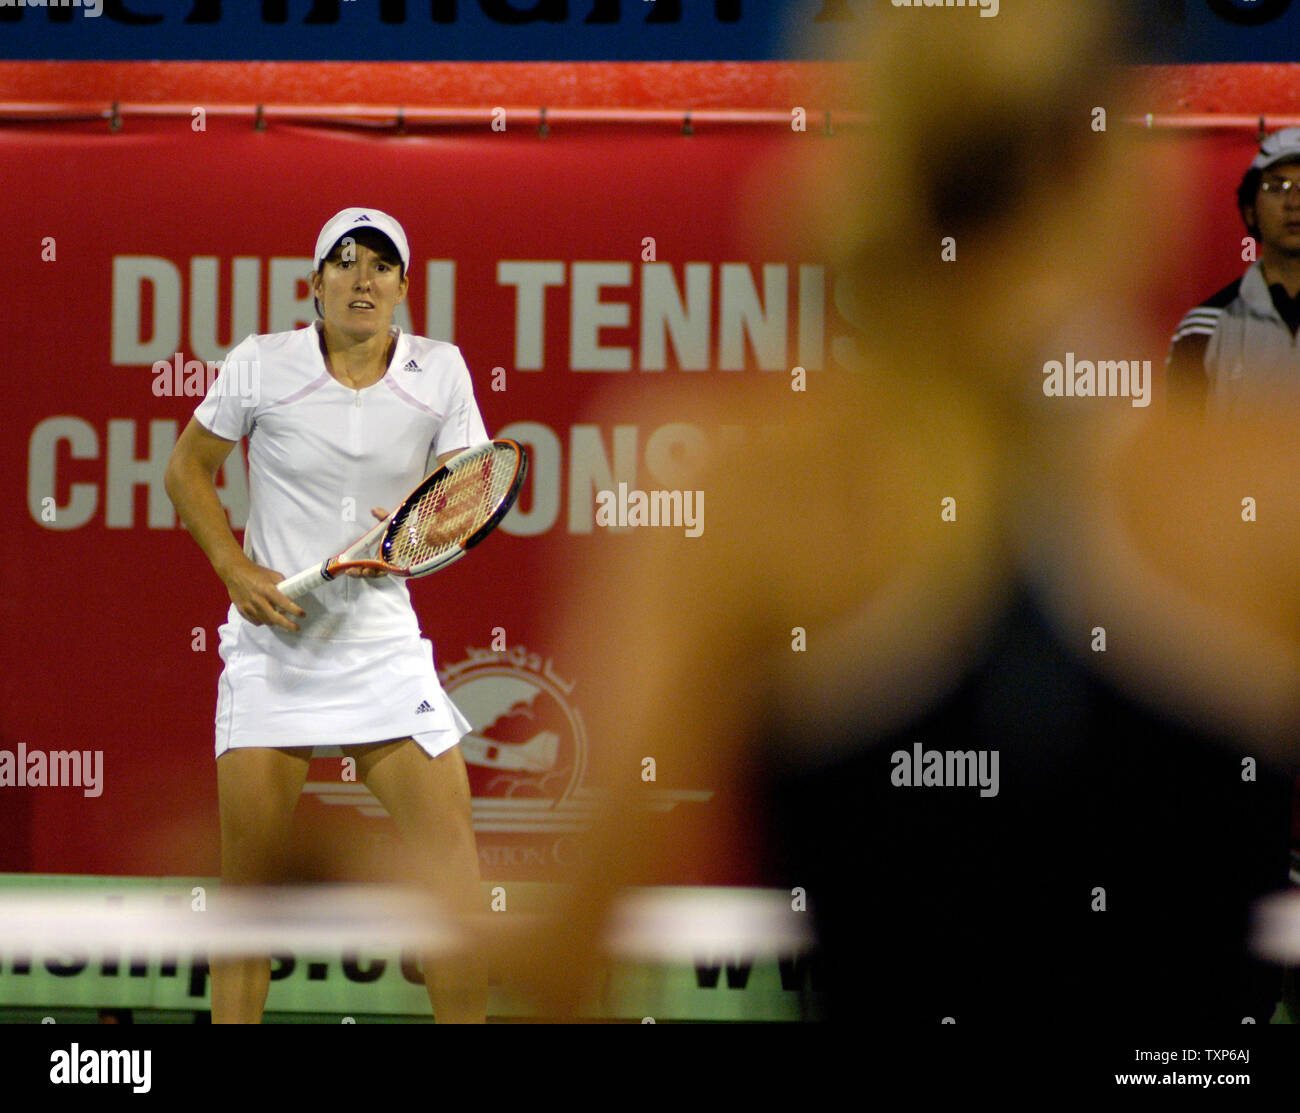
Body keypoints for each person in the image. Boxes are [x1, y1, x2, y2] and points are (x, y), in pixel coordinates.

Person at [500, 1, 1298, 1028]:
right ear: (1113, 166)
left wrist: (340, 863)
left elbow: (560, 952)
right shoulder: (1267, 482)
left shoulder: (744, 474)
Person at [165, 208, 488, 1024]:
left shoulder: (440, 370)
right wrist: (235, 568)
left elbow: (465, 495)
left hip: (380, 643)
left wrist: (417, 523)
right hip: (276, 644)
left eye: (382, 266)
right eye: (345, 264)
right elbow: (185, 471)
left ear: (404, 289)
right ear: (314, 285)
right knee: (251, 893)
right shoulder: (259, 363)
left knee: (453, 874)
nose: (363, 279)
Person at [1167, 127, 1300, 412]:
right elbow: (1180, 448)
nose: (1294, 203)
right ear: (1251, 210)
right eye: (1277, 188)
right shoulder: (1203, 327)